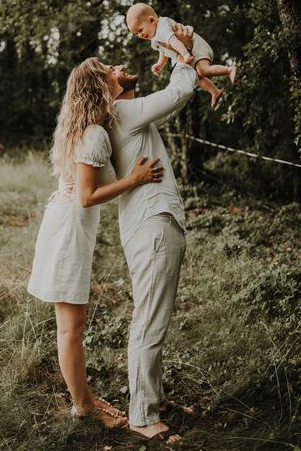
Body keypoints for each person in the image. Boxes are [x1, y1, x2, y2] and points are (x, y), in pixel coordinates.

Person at [27, 57, 164, 429]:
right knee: (71, 327)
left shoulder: (90, 127)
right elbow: (86, 197)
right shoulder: (94, 135)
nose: (114, 67)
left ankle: (84, 397)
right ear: (97, 86)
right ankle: (84, 407)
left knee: (73, 323)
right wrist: (134, 180)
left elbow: (131, 110)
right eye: (106, 67)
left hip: (65, 223)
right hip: (69, 227)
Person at [107, 26, 198, 444]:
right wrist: (185, 54)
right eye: (110, 68)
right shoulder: (120, 113)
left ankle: (154, 398)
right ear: (105, 89)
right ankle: (142, 416)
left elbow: (167, 105)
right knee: (150, 321)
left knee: (152, 316)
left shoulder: (130, 113)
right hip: (153, 225)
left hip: (152, 224)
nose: (118, 66)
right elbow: (177, 94)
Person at [126, 2, 237, 109]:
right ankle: (215, 91)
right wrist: (160, 64)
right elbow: (164, 52)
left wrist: (185, 54)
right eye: (136, 33)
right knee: (196, 78)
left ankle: (229, 70)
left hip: (195, 47)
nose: (140, 35)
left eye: (140, 30)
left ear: (152, 20)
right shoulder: (154, 39)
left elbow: (174, 41)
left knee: (202, 70)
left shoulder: (163, 27)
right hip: (187, 52)